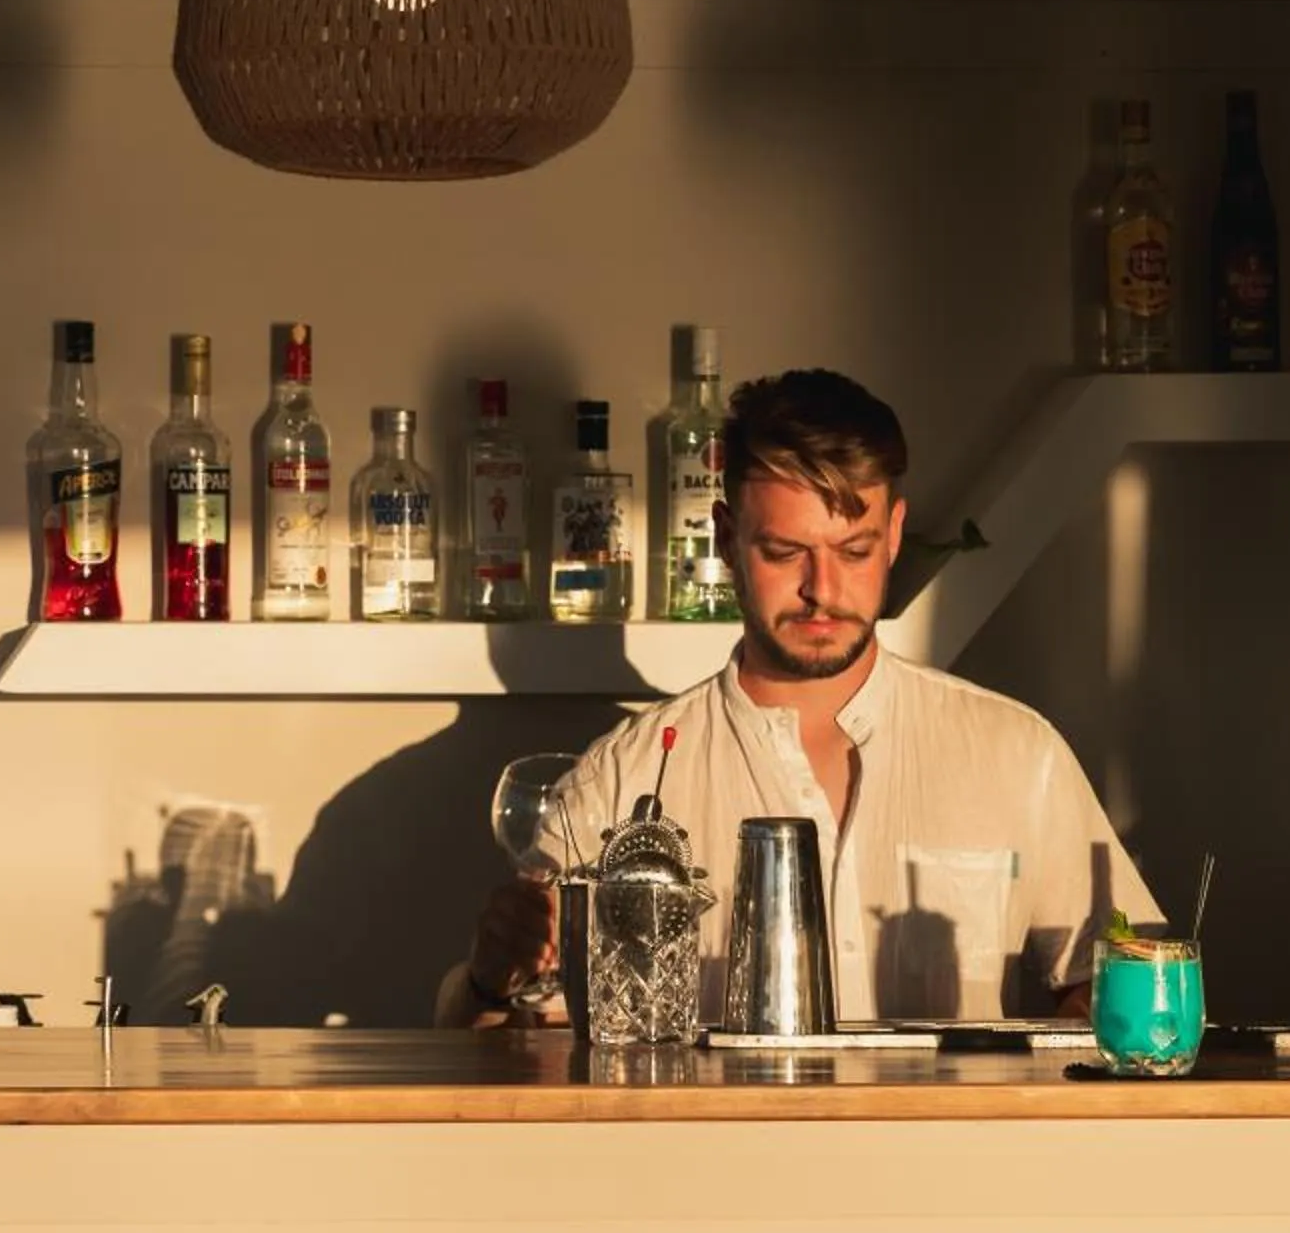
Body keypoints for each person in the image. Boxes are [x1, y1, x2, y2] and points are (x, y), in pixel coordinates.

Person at [440, 370, 1159, 1026]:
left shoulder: (1015, 753)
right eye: (785, 553)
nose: (822, 589)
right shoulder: (619, 780)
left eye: (854, 551)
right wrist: (490, 983)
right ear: (726, 539)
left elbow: (1125, 980)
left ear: (894, 535)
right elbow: (512, 1046)